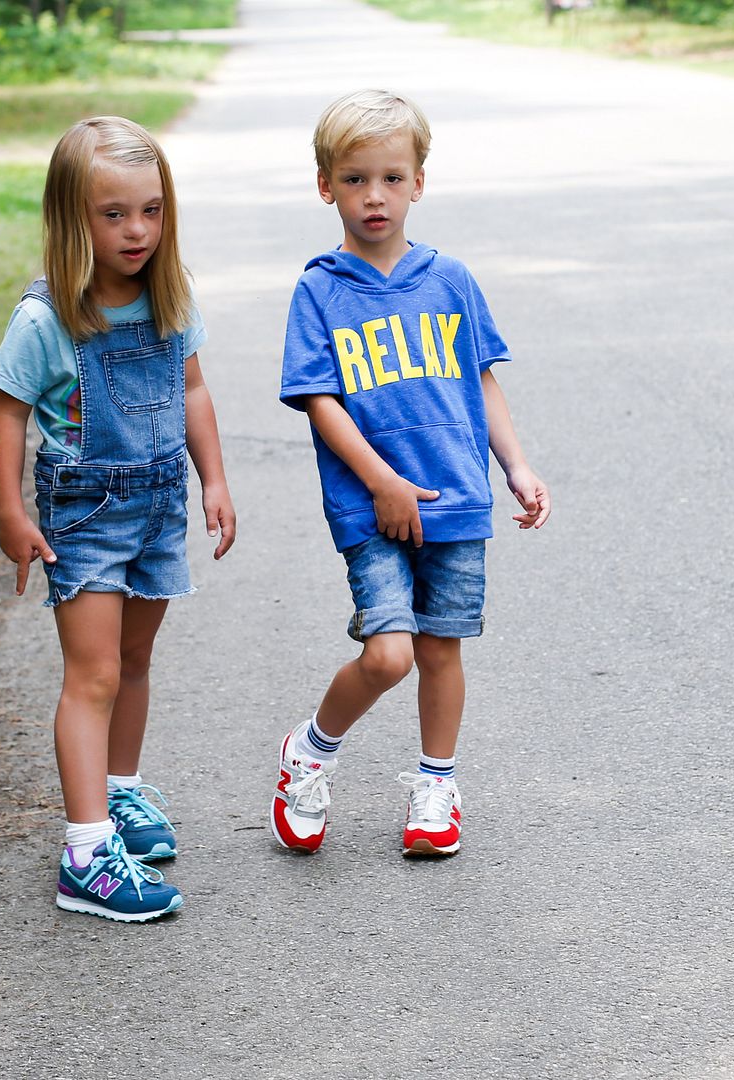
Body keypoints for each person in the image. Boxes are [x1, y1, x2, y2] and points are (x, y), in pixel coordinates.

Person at [273, 90, 550, 858]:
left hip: (456, 499)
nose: (375, 196)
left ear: (419, 182)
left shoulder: (450, 280)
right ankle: (312, 750)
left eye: (392, 178)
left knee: (440, 649)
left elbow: (480, 380)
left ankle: (437, 786)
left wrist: (517, 466)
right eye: (356, 179)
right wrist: (382, 480)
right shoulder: (321, 289)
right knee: (389, 652)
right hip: (372, 507)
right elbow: (318, 400)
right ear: (326, 184)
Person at [0, 116, 236, 922]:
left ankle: (120, 794)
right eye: (114, 213)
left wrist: (214, 480)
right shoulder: (47, 317)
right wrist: (10, 511)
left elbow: (192, 391)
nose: (137, 231)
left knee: (133, 660)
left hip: (159, 505)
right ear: (72, 218)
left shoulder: (169, 294)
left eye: (152, 211)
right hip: (85, 515)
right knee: (91, 675)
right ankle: (86, 853)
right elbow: (8, 416)